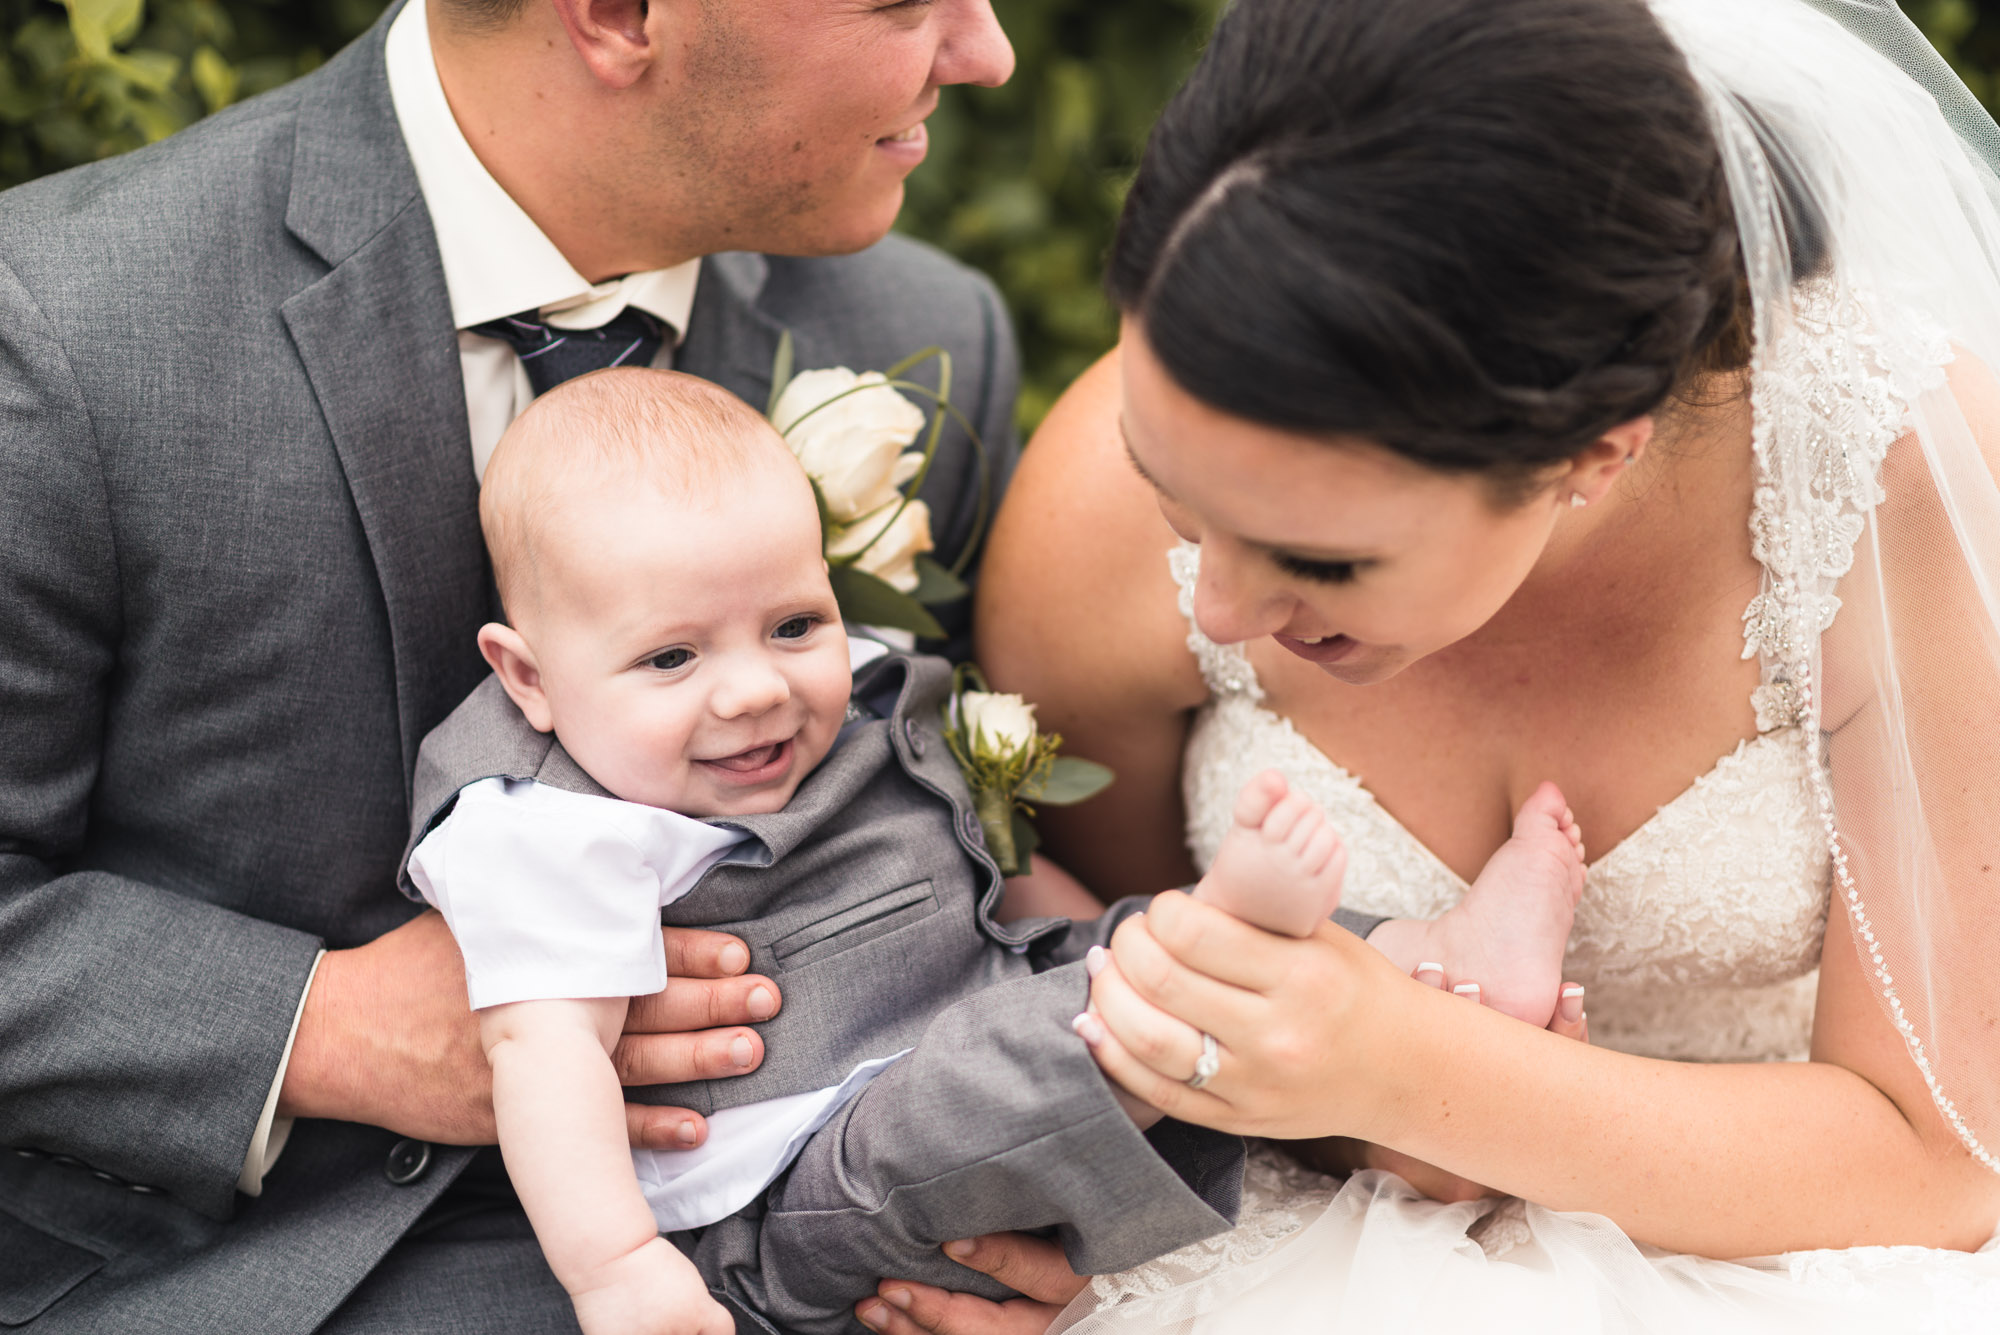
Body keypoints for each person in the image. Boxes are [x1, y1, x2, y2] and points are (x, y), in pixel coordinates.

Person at [856, 0, 2000, 1331]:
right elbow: (1069, 956)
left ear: (1594, 451)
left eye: (1321, 560)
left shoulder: (1891, 485)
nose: (1215, 606)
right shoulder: (1102, 506)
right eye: (1179, 505)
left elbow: (1937, 1156)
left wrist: (1407, 1071)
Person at [0, 0, 1022, 1330]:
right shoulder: (60, 327)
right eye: (906, 3)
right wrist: (332, 1025)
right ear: (619, 16)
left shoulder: (919, 334)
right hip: (239, 1268)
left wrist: (1006, 1223)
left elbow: (953, 834)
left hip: (816, 1229)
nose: (984, 51)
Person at [406, 367, 1590, 1333]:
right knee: (993, 1064)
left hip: (984, 994)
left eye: (793, 624)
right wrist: (615, 1266)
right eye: (671, 660)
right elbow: (543, 1053)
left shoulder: (851, 690)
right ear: (526, 675)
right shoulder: (547, 829)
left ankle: (1425, 951)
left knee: (1105, 944)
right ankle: (1203, 965)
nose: (754, 690)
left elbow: (974, 861)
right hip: (800, 1187)